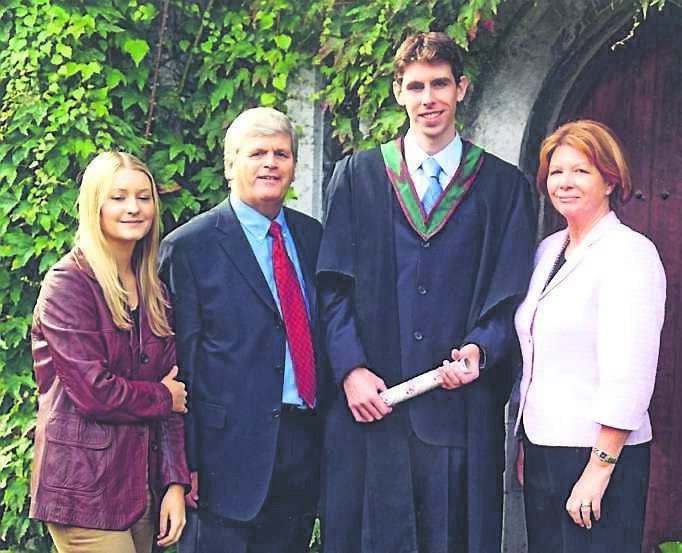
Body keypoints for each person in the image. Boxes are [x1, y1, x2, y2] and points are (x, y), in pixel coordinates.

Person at [317, 32, 537, 553]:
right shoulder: (358, 178)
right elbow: (333, 287)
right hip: (375, 411)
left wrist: (482, 349)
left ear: (462, 88)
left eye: (440, 84)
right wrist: (350, 370)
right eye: (415, 86)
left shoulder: (503, 187)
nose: (428, 99)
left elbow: (511, 295)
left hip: (459, 416)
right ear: (398, 92)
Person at [159, 107, 326, 553]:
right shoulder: (189, 247)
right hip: (221, 463)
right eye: (257, 153)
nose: (271, 162)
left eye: (282, 153)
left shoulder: (312, 239)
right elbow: (180, 363)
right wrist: (183, 463)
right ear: (230, 166)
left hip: (300, 449)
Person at [514, 120, 666, 553]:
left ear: (610, 180)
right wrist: (528, 441)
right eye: (557, 171)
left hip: (599, 454)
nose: (565, 182)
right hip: (545, 449)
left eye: (581, 171)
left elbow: (630, 375)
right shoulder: (548, 251)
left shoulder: (630, 254)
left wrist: (598, 470)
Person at [30, 151, 190, 553]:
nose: (134, 208)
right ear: (94, 206)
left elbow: (174, 395)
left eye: (143, 196)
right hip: (84, 493)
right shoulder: (69, 285)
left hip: (141, 489)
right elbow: (95, 392)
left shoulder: (154, 289)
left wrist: (174, 482)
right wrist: (162, 397)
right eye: (118, 197)